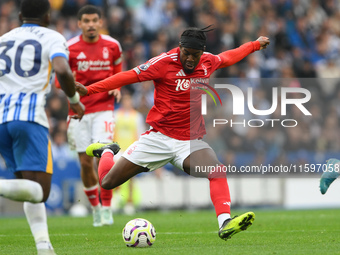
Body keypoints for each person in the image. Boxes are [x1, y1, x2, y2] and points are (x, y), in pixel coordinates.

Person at [77, 26, 270, 240]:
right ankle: (106, 151)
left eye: (194, 55)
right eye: (185, 53)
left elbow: (227, 57)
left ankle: (225, 222)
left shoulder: (207, 61)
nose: (189, 59)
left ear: (202, 52)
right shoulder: (162, 63)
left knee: (216, 170)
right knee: (107, 182)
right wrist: (91, 89)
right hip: (158, 139)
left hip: (189, 141)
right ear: (179, 48)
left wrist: (254, 45)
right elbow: (128, 76)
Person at [0, 0, 85, 254]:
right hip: (29, 118)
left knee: (26, 187)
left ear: (19, 15)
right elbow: (61, 69)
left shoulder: (4, 39)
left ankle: (43, 246)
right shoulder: (52, 37)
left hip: (2, 119)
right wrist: (74, 101)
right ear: (48, 16)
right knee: (40, 192)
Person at [55, 5, 122, 227]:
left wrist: (117, 86)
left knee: (103, 155)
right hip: (79, 111)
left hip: (104, 108)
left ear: (100, 22)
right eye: (86, 20)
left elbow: (118, 72)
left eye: (95, 20)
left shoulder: (112, 46)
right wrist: (72, 92)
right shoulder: (70, 47)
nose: (91, 24)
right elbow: (59, 80)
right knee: (85, 163)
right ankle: (94, 208)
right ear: (79, 24)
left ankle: (107, 207)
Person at [112, 92, 145, 215]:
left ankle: (129, 202)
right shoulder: (116, 115)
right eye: (125, 100)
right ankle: (116, 198)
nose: (127, 103)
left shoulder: (137, 117)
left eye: (129, 101)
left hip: (131, 149)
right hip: (118, 149)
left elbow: (141, 133)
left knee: (131, 176)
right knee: (116, 173)